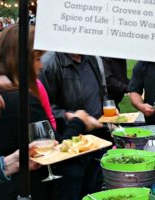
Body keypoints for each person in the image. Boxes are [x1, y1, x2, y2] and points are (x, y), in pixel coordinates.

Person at [0, 24, 102, 200]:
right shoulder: (23, 100)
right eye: (37, 59)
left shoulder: (2, 94)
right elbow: (53, 150)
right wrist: (78, 121)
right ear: (22, 60)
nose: (41, 66)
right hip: (28, 187)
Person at [39, 52, 110, 199]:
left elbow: (102, 92)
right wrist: (70, 117)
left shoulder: (93, 59)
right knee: (72, 190)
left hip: (96, 141)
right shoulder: (49, 62)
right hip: (68, 143)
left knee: (94, 190)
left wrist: (107, 114)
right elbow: (42, 105)